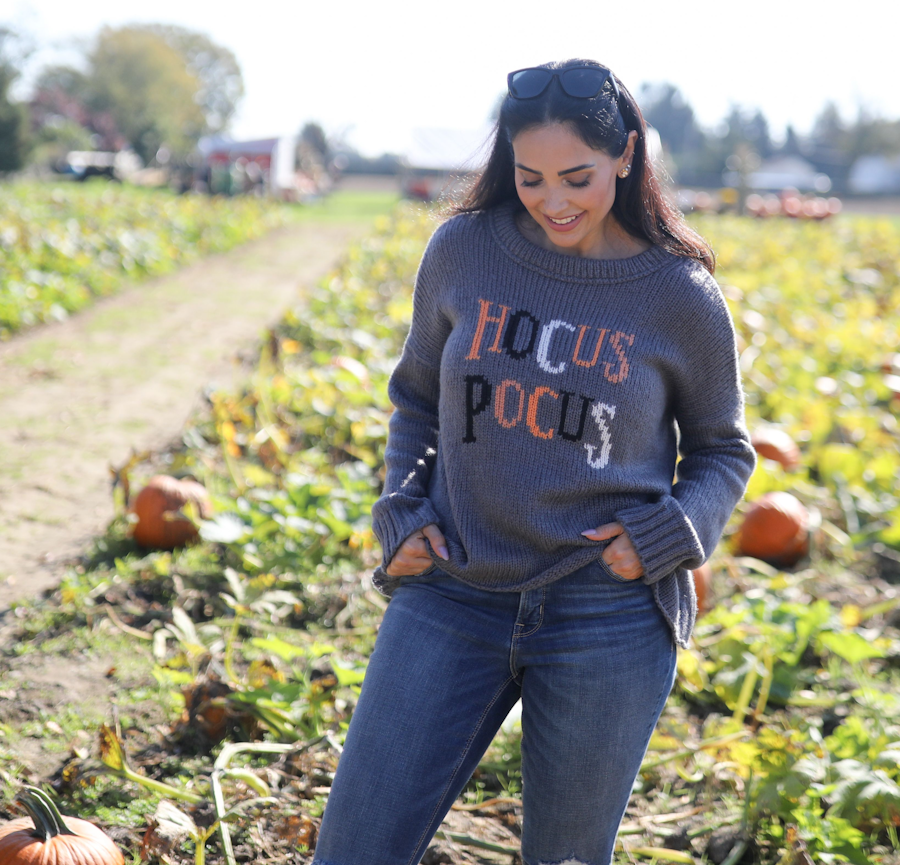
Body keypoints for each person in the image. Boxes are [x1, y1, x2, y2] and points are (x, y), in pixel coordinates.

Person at [312, 60, 755, 865]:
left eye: (577, 177)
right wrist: (401, 511)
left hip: (605, 611)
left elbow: (723, 449)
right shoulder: (464, 250)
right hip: (453, 587)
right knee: (353, 849)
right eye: (531, 177)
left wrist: (670, 534)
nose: (554, 200)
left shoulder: (679, 295)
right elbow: (415, 399)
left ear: (626, 156)